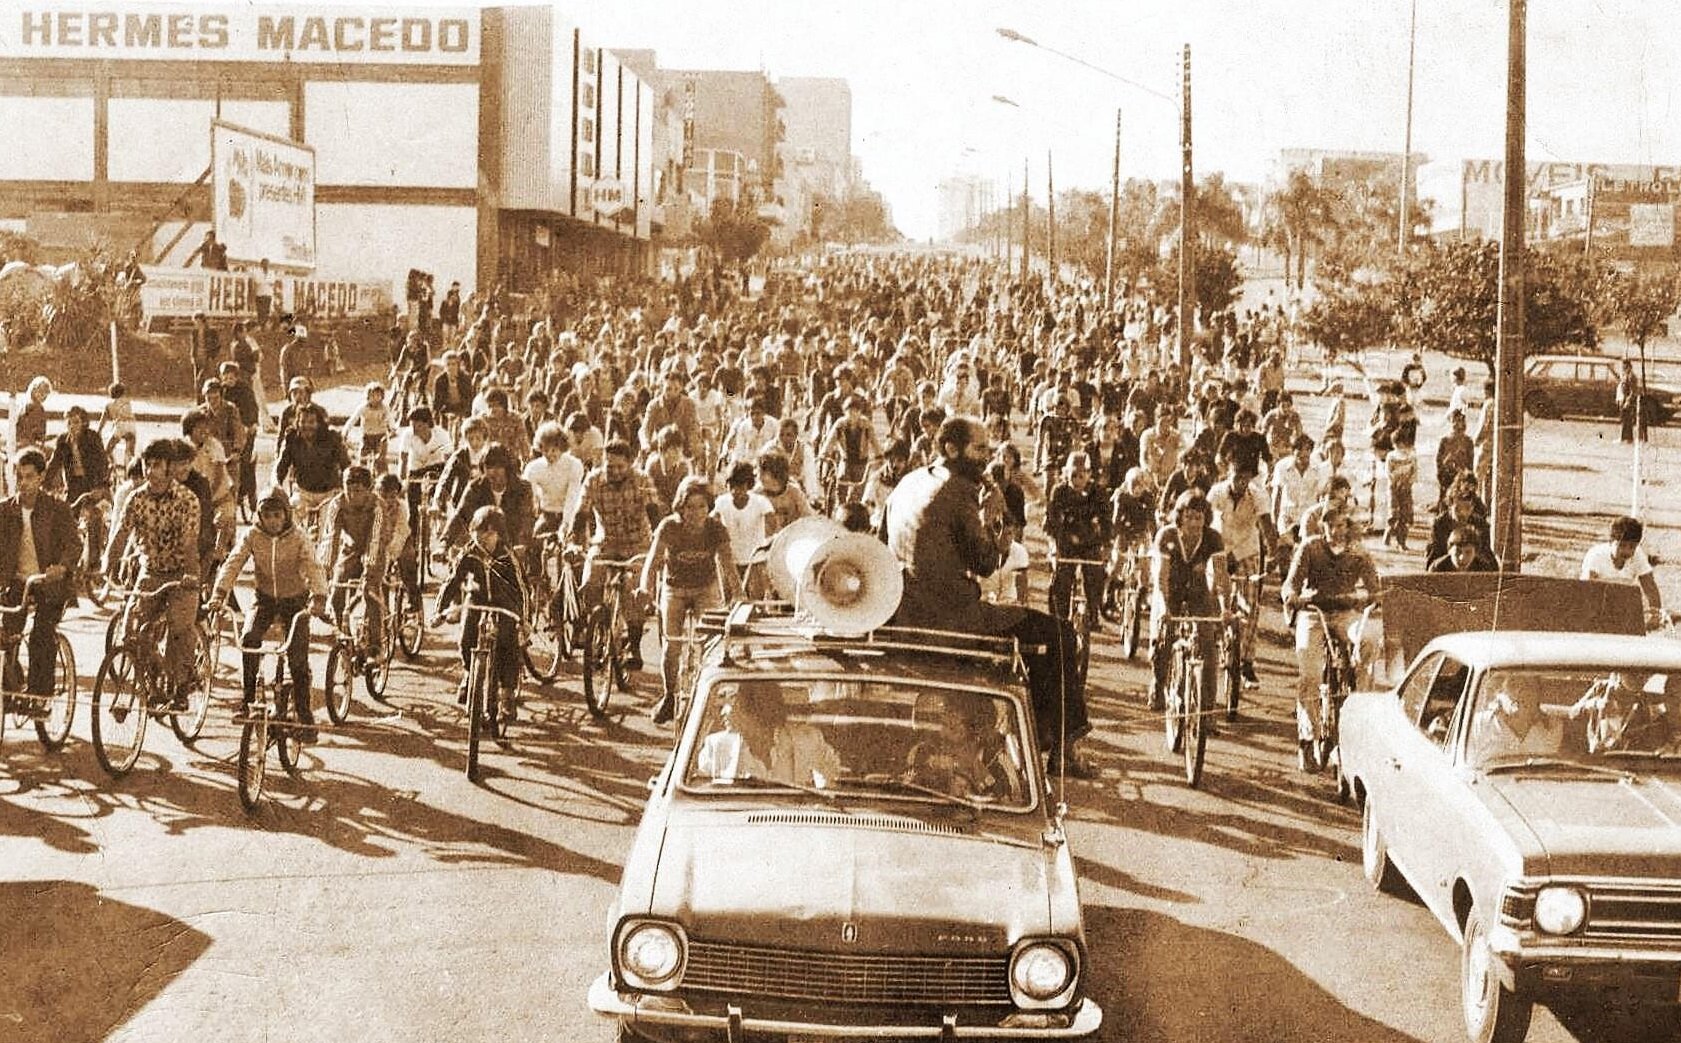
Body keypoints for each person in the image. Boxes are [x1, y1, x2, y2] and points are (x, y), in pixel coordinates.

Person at [885, 416, 1093, 776]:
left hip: (903, 609)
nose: (987, 456)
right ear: (951, 448)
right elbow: (986, 563)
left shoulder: (910, 480)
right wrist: (996, 520)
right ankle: (1062, 751)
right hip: (952, 617)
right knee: (1060, 634)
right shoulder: (959, 490)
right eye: (979, 448)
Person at [213, 490, 328, 741]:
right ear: (260, 516)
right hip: (264, 599)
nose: (273, 521)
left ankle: (304, 714)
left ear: (286, 514)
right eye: (267, 515)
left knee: (297, 657)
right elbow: (233, 562)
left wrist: (319, 596)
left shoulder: (298, 537)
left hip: (295, 600)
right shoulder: (253, 535)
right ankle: (248, 699)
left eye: (277, 515)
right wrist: (219, 594)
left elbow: (312, 565)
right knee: (249, 640)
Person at [103, 438, 202, 706]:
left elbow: (190, 543)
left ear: (170, 468)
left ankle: (182, 686)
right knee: (131, 632)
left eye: (156, 465)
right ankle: (153, 676)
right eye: (147, 465)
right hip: (151, 571)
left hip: (182, 573)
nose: (149, 471)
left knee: (179, 629)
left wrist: (191, 575)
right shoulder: (137, 499)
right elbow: (121, 533)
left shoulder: (186, 500)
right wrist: (106, 564)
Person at [1281, 507, 1380, 772]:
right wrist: (1293, 596)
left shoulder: (1358, 552)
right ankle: (1307, 738)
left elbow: (1374, 587)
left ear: (1347, 526)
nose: (1336, 530)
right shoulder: (1310, 548)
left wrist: (1373, 597)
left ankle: (1359, 714)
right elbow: (1291, 583)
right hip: (1314, 613)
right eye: (1330, 525)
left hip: (1346, 613)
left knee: (1368, 641)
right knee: (1310, 673)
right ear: (1322, 527)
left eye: (1341, 525)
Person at [640, 476, 740, 724]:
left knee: (710, 644)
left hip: (705, 588)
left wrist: (739, 595)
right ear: (680, 507)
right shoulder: (669, 527)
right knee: (671, 646)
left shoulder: (716, 528)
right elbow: (652, 562)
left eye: (702, 506)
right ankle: (669, 696)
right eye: (690, 507)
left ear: (709, 507)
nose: (696, 513)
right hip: (674, 588)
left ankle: (706, 698)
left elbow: (728, 566)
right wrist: (645, 588)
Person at [572, 439, 661, 672]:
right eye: (610, 466)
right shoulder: (593, 480)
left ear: (630, 464)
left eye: (621, 467)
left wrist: (658, 548)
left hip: (637, 543)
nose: (615, 472)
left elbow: (654, 514)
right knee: (589, 582)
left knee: (634, 590)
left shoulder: (642, 480)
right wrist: (574, 542)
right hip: (606, 541)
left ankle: (634, 644)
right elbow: (581, 514)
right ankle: (597, 626)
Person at [0, 448, 79, 703]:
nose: (23, 483)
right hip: (17, 583)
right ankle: (13, 686)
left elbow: (74, 544)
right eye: (19, 477)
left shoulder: (56, 508)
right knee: (6, 634)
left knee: (41, 635)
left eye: (29, 477)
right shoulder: (5, 511)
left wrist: (62, 567)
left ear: (41, 477)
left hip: (49, 584)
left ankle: (40, 696)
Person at [432, 505, 527, 716]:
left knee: (508, 644)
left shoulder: (507, 557)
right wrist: (439, 610)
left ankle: (508, 693)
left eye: (490, 533)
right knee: (466, 639)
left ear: (499, 535)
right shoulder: (469, 554)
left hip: (504, 604)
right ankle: (469, 672)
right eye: (478, 531)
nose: (483, 537)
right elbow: (452, 582)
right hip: (476, 600)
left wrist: (525, 619)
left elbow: (522, 589)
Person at [1149, 490, 1229, 714]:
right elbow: (1161, 577)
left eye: (1199, 518)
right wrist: (1164, 608)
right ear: (1180, 517)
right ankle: (1158, 683)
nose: (1194, 523)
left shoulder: (1213, 538)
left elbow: (1221, 577)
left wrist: (1225, 609)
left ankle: (1208, 710)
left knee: (1208, 645)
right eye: (1189, 517)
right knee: (1165, 635)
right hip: (1170, 590)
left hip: (1197, 590)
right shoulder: (1166, 536)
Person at [1207, 462, 1276, 689]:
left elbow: (1266, 526)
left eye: (1246, 479)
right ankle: (1212, 643)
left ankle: (1246, 662)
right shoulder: (1217, 493)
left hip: (1247, 550)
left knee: (1251, 605)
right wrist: (1222, 555)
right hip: (1218, 547)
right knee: (1213, 595)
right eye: (1237, 477)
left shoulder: (1258, 495)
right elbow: (1210, 524)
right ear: (1229, 474)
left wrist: (1274, 553)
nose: (1241, 483)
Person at [695, 683, 842, 787]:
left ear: (756, 709)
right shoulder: (716, 746)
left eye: (733, 702)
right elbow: (698, 792)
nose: (723, 712)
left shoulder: (808, 739)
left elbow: (831, 776)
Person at [903, 690, 1022, 801]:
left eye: (952, 727)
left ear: (976, 730)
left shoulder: (996, 764)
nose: (942, 733)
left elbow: (1010, 806)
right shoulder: (923, 751)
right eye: (943, 723)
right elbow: (908, 793)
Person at [1044, 451, 1109, 633]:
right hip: (1065, 541)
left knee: (1095, 575)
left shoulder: (1098, 493)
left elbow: (1106, 522)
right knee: (1061, 580)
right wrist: (1054, 548)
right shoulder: (1059, 492)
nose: (1077, 480)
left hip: (1090, 542)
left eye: (1081, 475)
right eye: (1073, 475)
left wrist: (1107, 546)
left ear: (1089, 475)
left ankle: (1093, 613)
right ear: (1066, 474)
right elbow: (1052, 523)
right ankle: (1058, 620)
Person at [1582, 515, 1667, 627]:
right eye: (1622, 545)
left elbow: (1650, 586)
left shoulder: (1638, 555)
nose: (1627, 551)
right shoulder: (1596, 556)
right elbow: (1587, 591)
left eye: (1632, 547)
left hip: (1622, 607)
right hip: (1595, 605)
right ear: (1611, 541)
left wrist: (1656, 615)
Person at [272, 405, 349, 521]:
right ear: (297, 423)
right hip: (303, 492)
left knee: (328, 527)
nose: (307, 426)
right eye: (303, 422)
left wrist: (345, 489)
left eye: (311, 422)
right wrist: (277, 486)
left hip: (329, 493)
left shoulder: (332, 438)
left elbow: (346, 466)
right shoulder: (291, 438)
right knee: (290, 520)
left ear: (319, 423)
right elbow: (280, 466)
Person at [1469, 675, 1565, 760]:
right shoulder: (1479, 724)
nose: (1520, 693)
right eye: (1513, 685)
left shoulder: (1551, 726)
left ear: (1538, 694)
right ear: (1500, 693)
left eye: (1528, 686)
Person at [715, 462, 776, 588]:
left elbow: (772, 524)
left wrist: (764, 545)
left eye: (740, 486)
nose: (735, 491)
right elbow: (711, 523)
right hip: (731, 561)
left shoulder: (760, 502)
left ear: (748, 485)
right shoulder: (722, 502)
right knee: (730, 601)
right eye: (731, 485)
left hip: (754, 561)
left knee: (755, 601)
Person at [1428, 524, 1500, 572]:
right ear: (1449, 551)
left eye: (1468, 552)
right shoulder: (1437, 568)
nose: (1462, 557)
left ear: (1476, 553)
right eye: (1458, 552)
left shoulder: (1484, 569)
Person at [97, 382, 137, 469]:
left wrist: (99, 430)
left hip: (120, 426)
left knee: (107, 450)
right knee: (130, 452)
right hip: (131, 425)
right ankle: (129, 469)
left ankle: (111, 465)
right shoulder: (127, 402)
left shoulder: (109, 404)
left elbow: (103, 419)